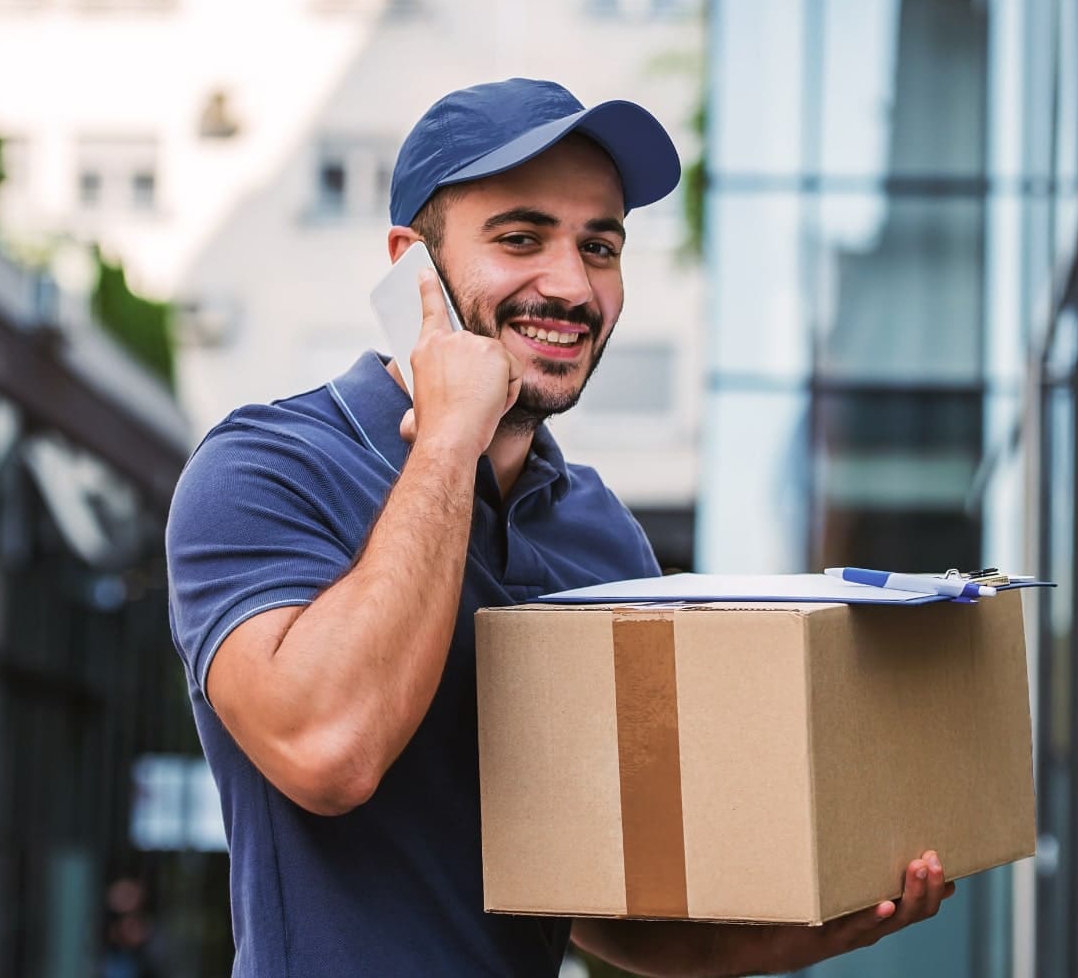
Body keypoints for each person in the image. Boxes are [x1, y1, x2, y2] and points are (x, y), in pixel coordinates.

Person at [166, 78, 953, 977]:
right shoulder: (265, 470)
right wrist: (448, 445)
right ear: (409, 267)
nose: (572, 286)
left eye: (601, 246)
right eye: (521, 238)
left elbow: (604, 902)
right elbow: (329, 752)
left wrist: (810, 928)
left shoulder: (602, 538)